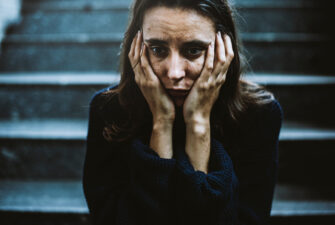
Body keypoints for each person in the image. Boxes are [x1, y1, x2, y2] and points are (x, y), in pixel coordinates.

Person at [82, 0, 283, 224]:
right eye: (158, 50)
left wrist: (198, 124)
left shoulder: (259, 116)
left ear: (224, 51)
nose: (175, 72)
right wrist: (162, 122)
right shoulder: (108, 111)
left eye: (193, 51)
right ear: (136, 48)